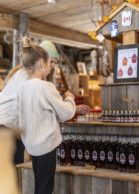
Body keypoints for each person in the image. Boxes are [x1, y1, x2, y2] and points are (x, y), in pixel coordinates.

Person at [0, 40, 91, 164]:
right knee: (13, 170)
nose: (52, 65)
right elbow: (44, 106)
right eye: (51, 61)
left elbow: (47, 104)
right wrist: (69, 105)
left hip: (10, 125)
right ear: (41, 60)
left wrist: (72, 107)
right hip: (8, 126)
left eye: (54, 62)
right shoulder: (27, 77)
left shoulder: (28, 75)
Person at [17, 37, 76, 194]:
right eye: (51, 63)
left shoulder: (22, 88)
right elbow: (67, 113)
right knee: (45, 188)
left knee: (39, 185)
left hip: (31, 146)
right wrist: (70, 98)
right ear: (42, 63)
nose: (51, 68)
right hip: (46, 146)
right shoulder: (46, 87)